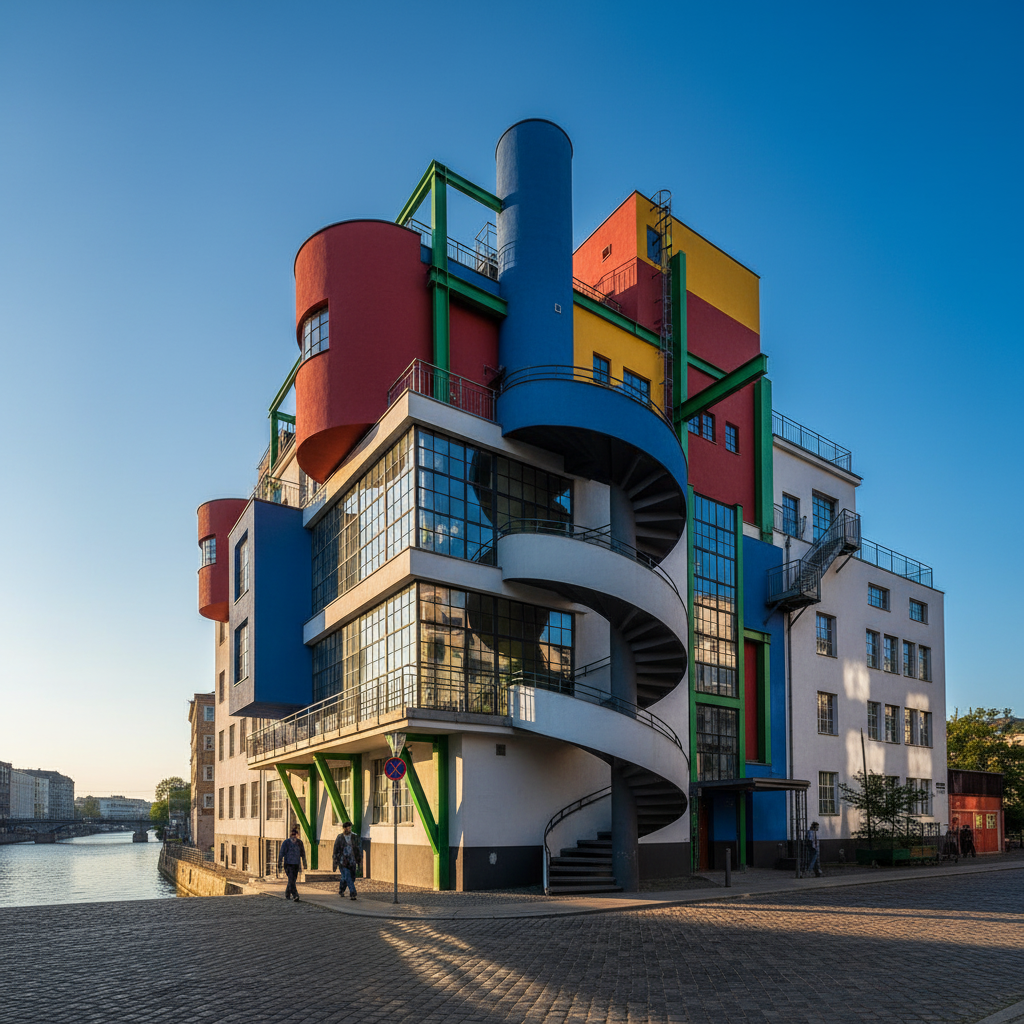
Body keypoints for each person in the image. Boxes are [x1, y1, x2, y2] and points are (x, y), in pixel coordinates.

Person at [332, 820, 362, 900]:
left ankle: (341, 889)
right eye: (346, 828)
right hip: (343, 861)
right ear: (344, 829)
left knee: (351, 878)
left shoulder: (355, 837)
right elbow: (335, 849)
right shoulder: (340, 838)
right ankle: (353, 893)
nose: (348, 830)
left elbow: (359, 849)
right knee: (347, 876)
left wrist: (359, 859)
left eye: (349, 828)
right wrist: (335, 861)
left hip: (352, 860)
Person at [278, 826, 307, 901]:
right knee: (291, 879)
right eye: (292, 835)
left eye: (295, 835)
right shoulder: (286, 843)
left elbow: (303, 853)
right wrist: (279, 863)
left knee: (293, 880)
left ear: (297, 835)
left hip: (296, 864)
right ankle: (295, 895)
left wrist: (304, 864)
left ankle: (287, 893)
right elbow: (281, 853)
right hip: (288, 864)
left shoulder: (299, 843)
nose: (294, 837)